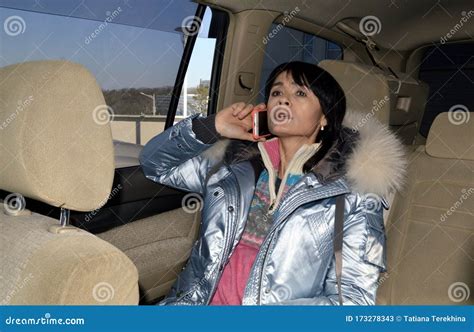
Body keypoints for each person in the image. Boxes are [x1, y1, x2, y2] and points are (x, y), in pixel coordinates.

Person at [139, 61, 407, 305]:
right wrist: (213, 127)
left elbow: (352, 301)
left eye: (300, 93)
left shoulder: (352, 193)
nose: (284, 100)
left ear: (325, 117)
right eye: (277, 93)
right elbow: (154, 164)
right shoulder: (234, 167)